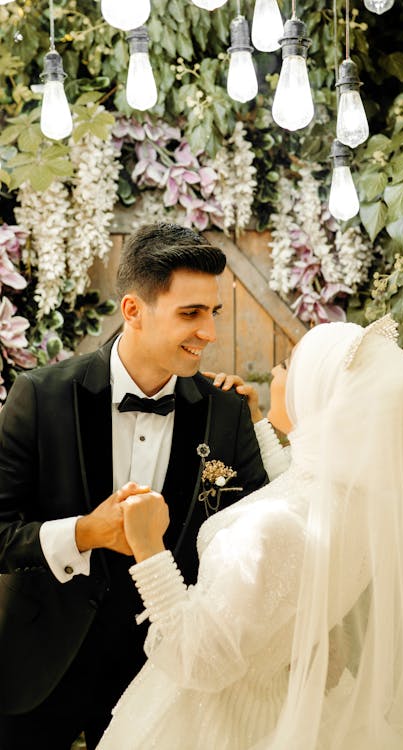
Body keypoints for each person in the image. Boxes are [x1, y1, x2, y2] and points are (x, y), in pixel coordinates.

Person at [97, 315, 403, 750]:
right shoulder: (359, 511)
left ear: (330, 403)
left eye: (288, 365)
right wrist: (259, 427)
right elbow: (296, 489)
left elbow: (198, 661)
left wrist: (148, 547)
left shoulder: (270, 530)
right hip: (276, 712)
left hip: (209, 725)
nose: (275, 372)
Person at [0, 223, 268, 750]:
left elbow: (251, 545)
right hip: (38, 671)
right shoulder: (41, 397)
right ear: (133, 311)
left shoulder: (228, 412)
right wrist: (84, 532)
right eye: (190, 314)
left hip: (161, 686)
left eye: (213, 312)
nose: (209, 332)